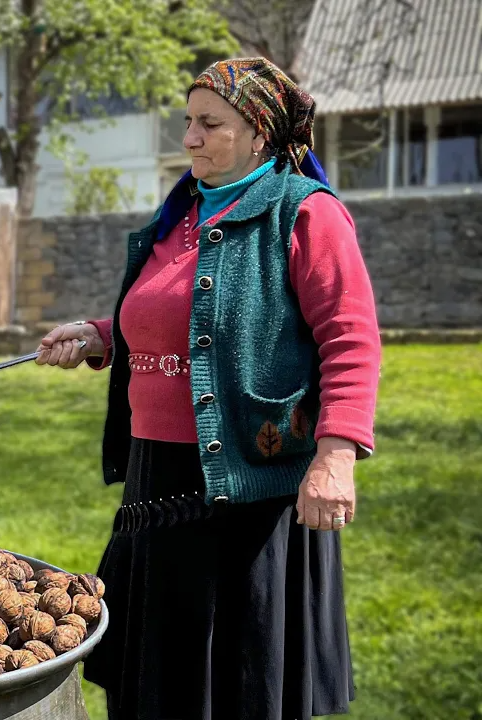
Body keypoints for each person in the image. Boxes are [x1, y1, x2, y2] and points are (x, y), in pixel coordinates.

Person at [35, 57, 381, 719]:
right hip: (157, 475)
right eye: (187, 122)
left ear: (260, 133)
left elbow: (351, 337)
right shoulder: (183, 213)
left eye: (208, 123)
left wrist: (335, 457)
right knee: (160, 682)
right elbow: (184, 313)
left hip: (248, 483)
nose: (189, 138)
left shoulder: (304, 214)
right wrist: (102, 335)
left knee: (237, 687)